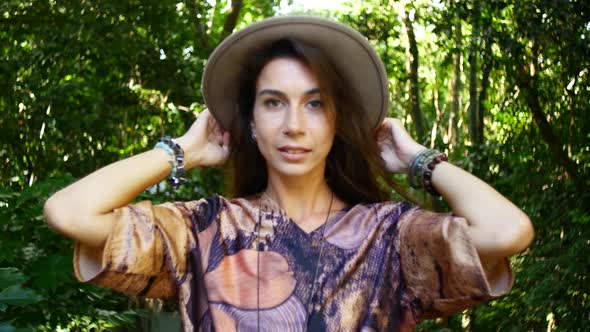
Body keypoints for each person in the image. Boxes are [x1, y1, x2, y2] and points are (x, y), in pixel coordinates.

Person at [43, 16, 534, 331]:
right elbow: (68, 212)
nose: (294, 125)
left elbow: (508, 232)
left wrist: (418, 161)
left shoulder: (390, 235)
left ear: (337, 122)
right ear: (251, 123)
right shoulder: (203, 229)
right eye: (273, 103)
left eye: (315, 104)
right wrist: (182, 151)